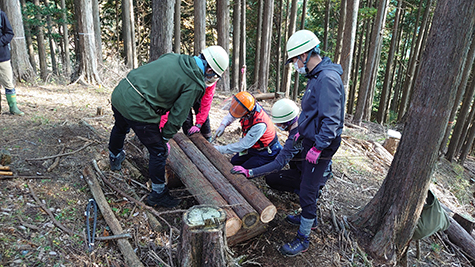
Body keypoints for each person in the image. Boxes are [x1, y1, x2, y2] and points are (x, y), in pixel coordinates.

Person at [108, 45, 229, 208]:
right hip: (137, 105)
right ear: (209, 71)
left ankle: (114, 157)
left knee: (120, 126)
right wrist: (164, 138)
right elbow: (178, 115)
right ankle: (158, 194)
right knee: (158, 151)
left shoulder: (174, 57)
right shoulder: (195, 83)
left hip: (121, 91)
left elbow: (160, 85)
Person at [277, 29, 345, 257]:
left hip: (322, 144)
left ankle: (303, 237)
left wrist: (318, 146)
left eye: (295, 59)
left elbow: (332, 119)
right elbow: (313, 112)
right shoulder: (317, 76)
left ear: (304, 55)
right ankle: (310, 217)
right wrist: (301, 133)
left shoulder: (327, 78)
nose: (295, 64)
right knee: (307, 181)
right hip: (312, 139)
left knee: (307, 189)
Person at [214, 91, 283, 169]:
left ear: (247, 113)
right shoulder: (247, 107)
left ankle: (270, 161)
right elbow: (234, 112)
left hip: (266, 151)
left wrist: (221, 149)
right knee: (234, 161)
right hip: (252, 148)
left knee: (243, 169)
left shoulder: (259, 124)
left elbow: (243, 145)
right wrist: (223, 125)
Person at [0, 9, 24, 116]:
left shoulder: (1, 15)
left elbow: (10, 33)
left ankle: (13, 108)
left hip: (2, 57)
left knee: (8, 83)